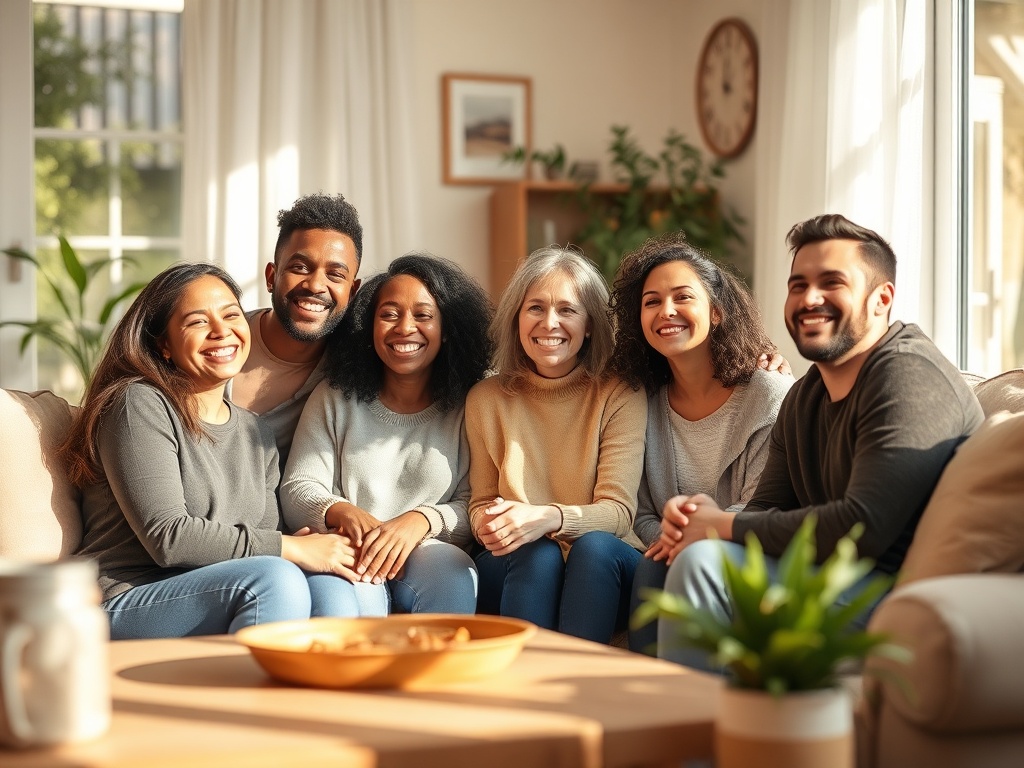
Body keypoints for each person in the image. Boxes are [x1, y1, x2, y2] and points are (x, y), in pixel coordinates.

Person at [653, 214, 984, 667]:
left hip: (908, 595)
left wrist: (720, 526)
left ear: (882, 299)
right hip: (833, 578)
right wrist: (700, 514)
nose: (810, 299)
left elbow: (862, 527)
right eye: (798, 285)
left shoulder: (909, 375)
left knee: (703, 563)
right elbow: (765, 508)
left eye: (832, 283)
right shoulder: (804, 396)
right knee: (691, 553)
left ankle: (682, 710)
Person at [64, 263, 363, 640]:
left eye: (231, 315)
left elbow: (264, 537)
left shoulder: (256, 431)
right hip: (125, 597)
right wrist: (292, 548)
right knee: (275, 579)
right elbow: (168, 537)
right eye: (197, 322)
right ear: (164, 345)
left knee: (333, 589)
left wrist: (317, 549)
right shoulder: (138, 403)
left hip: (214, 586)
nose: (221, 331)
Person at [601, 232, 793, 654]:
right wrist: (673, 537)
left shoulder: (767, 395)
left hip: (745, 553)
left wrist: (695, 535)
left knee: (665, 564)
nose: (666, 311)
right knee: (654, 564)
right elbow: (642, 511)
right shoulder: (641, 400)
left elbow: (765, 504)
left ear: (717, 311)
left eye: (682, 297)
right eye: (651, 302)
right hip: (665, 553)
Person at [280, 254, 491, 615]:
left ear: (447, 328)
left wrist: (420, 521)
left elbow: (476, 504)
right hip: (351, 547)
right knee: (350, 600)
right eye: (389, 314)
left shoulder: (473, 401)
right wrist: (342, 512)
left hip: (430, 549)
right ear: (368, 326)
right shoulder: (335, 396)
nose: (404, 328)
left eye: (423, 315)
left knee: (454, 575)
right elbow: (298, 487)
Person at [466, 245, 648, 636]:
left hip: (602, 566)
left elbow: (619, 512)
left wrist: (546, 518)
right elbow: (480, 502)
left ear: (590, 325)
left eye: (567, 310)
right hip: (521, 562)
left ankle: (574, 670)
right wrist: (490, 524)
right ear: (516, 317)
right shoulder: (486, 398)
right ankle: (530, 668)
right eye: (535, 307)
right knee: (537, 551)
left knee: (593, 546)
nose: (549, 323)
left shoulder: (619, 393)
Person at [229, 192, 363, 464]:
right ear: (271, 277)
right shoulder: (219, 340)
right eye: (300, 267)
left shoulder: (350, 374)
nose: (315, 285)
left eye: (335, 274)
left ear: (352, 291)